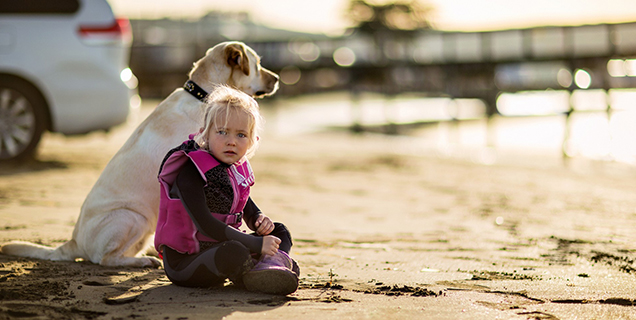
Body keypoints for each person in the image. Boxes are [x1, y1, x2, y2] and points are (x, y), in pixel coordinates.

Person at [154, 85, 299, 295]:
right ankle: (262, 268)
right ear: (205, 133)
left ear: (252, 141)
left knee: (279, 230)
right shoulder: (190, 172)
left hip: (225, 245)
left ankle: (270, 267)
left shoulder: (234, 169)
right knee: (234, 252)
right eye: (222, 132)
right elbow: (206, 226)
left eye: (241, 135)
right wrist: (257, 244)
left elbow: (245, 205)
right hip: (187, 261)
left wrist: (259, 220)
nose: (231, 141)